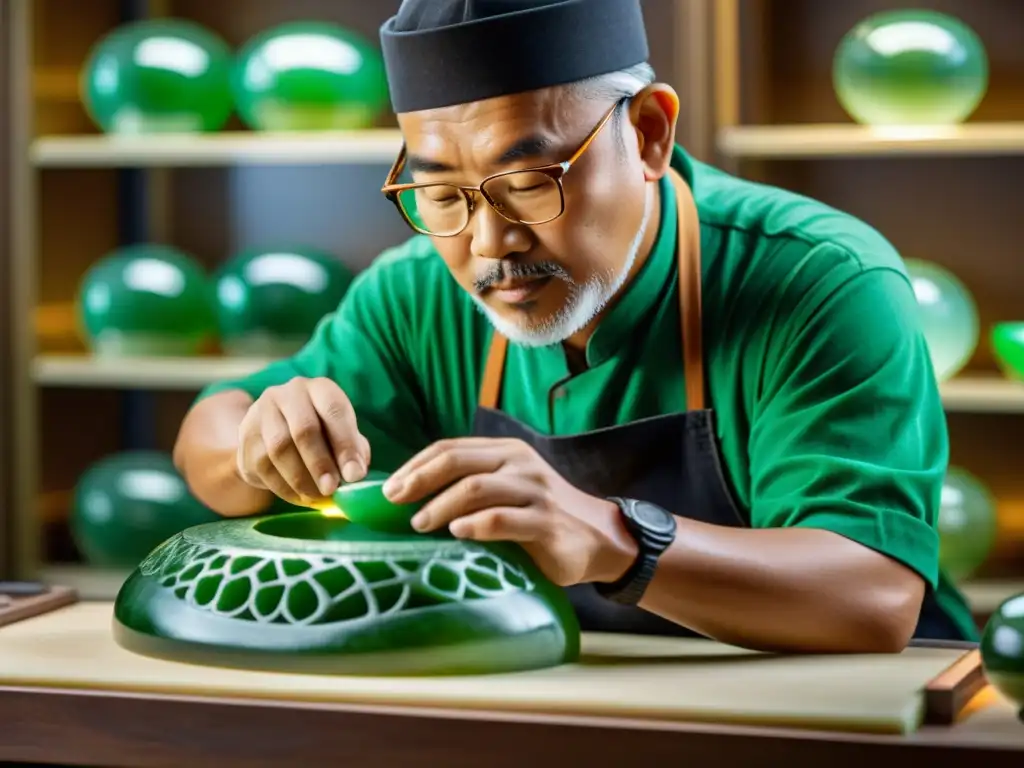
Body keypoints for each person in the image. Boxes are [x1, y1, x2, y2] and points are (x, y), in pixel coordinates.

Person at [174, 0, 978, 652]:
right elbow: (209, 433)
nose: (490, 244)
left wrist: (613, 537)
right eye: (444, 196)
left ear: (650, 134)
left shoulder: (817, 279)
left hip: (845, 711)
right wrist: (262, 443)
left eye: (528, 182)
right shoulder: (415, 292)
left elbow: (872, 598)